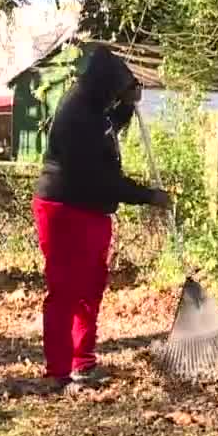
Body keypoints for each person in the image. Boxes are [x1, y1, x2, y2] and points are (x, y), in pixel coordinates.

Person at [31, 46, 171, 393]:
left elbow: (108, 130)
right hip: (63, 208)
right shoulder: (77, 115)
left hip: (92, 209)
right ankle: (59, 372)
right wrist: (149, 196)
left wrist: (126, 105)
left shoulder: (95, 108)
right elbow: (100, 178)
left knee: (91, 288)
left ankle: (83, 361)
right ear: (102, 85)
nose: (116, 96)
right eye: (116, 90)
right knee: (65, 290)